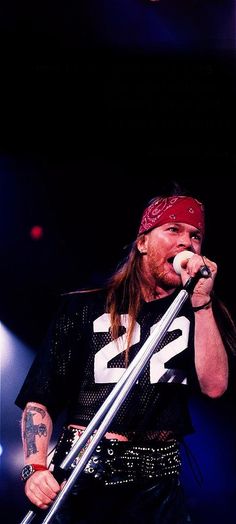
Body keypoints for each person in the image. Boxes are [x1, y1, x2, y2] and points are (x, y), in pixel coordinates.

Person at [15, 185, 236, 524]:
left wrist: (202, 303)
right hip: (83, 474)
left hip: (158, 485)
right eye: (173, 229)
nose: (186, 242)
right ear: (143, 242)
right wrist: (35, 468)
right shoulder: (83, 308)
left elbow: (215, 386)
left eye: (195, 236)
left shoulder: (199, 312)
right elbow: (39, 399)